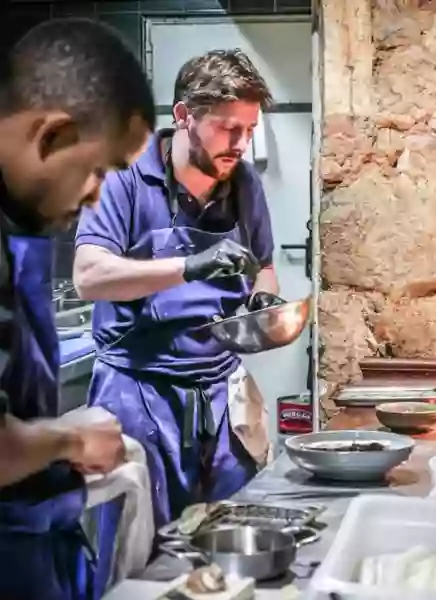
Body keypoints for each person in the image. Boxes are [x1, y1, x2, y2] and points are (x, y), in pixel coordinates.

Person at [74, 49, 284, 529]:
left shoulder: (244, 183)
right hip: (138, 391)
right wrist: (189, 266)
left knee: (229, 531)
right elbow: (88, 276)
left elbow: (265, 266)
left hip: (220, 392)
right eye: (229, 128)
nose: (241, 144)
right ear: (184, 116)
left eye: (249, 130)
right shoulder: (124, 175)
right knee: (139, 544)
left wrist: (263, 301)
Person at [0, 18, 157, 600]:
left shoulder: (18, 222)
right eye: (100, 170)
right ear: (54, 135)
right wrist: (67, 439)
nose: (96, 196)